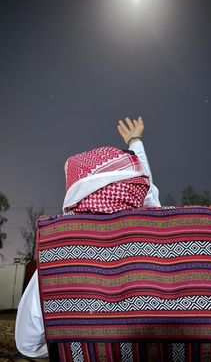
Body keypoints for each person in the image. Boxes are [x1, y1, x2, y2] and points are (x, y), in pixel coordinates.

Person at [15, 117, 161, 359]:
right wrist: (135, 143)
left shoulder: (57, 256)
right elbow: (150, 197)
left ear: (76, 192)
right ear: (134, 187)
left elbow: (27, 342)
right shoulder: (158, 243)